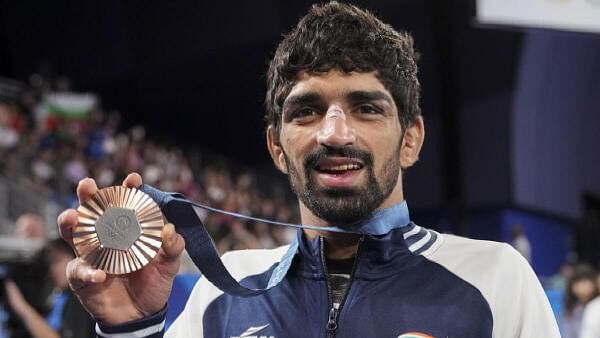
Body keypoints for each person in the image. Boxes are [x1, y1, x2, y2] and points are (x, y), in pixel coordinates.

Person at [57, 2, 560, 337]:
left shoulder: (495, 280)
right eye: (307, 110)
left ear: (411, 139)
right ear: (277, 147)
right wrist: (132, 327)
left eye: (366, 108)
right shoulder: (222, 288)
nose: (334, 133)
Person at [4, 238, 95, 338]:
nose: (52, 269)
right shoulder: (58, 296)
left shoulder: (81, 299)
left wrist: (20, 305)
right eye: (49, 263)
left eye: (56, 261)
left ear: (75, 258)